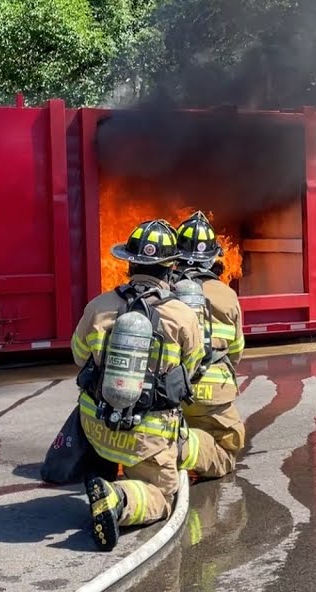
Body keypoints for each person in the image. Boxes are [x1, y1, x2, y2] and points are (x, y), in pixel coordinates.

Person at [69, 218, 205, 551]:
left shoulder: (98, 306)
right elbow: (191, 370)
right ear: (171, 268)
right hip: (147, 436)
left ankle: (100, 473)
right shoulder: (183, 315)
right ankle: (117, 497)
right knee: (162, 495)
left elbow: (77, 356)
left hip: (95, 426)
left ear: (129, 263)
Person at [170, 211, 247, 480]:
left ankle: (168, 445)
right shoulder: (227, 294)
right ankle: (183, 448)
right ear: (213, 257)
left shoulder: (165, 290)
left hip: (170, 392)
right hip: (213, 395)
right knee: (227, 449)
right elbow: (236, 351)